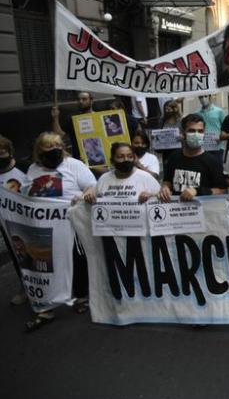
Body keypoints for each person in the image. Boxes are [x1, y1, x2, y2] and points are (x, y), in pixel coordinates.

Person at [24, 132, 96, 331]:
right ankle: (47, 303)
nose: (53, 150)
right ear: (39, 151)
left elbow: (92, 186)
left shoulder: (74, 165)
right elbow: (26, 193)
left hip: (71, 224)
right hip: (44, 228)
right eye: (48, 147)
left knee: (76, 260)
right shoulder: (33, 169)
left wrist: (85, 195)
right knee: (46, 264)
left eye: (56, 145)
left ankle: (81, 296)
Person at [158, 114, 226, 202]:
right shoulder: (174, 157)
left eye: (200, 131)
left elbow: (221, 190)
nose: (196, 134)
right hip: (176, 211)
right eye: (191, 131)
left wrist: (197, 191)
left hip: (203, 211)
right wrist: (165, 187)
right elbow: (167, 180)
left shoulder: (212, 161)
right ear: (183, 133)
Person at [0, 135, 28, 305]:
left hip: (31, 221)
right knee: (18, 257)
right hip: (8, 225)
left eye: (2, 152)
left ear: (9, 151)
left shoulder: (24, 168)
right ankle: (25, 287)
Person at [82, 142, 160, 203]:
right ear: (112, 161)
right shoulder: (104, 179)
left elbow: (163, 198)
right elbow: (93, 197)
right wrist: (88, 196)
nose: (126, 159)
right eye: (120, 157)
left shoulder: (145, 177)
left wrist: (151, 196)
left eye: (130, 156)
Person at [51, 91, 95, 160]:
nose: (80, 101)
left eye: (84, 99)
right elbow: (59, 134)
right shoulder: (72, 118)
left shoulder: (98, 117)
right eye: (78, 99)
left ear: (91, 101)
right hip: (79, 158)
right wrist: (55, 118)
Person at [196, 94, 227, 161]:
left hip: (217, 146)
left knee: (217, 168)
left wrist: (221, 137)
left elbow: (224, 127)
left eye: (205, 96)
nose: (203, 99)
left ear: (210, 97)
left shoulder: (219, 111)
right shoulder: (197, 114)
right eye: (201, 96)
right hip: (203, 146)